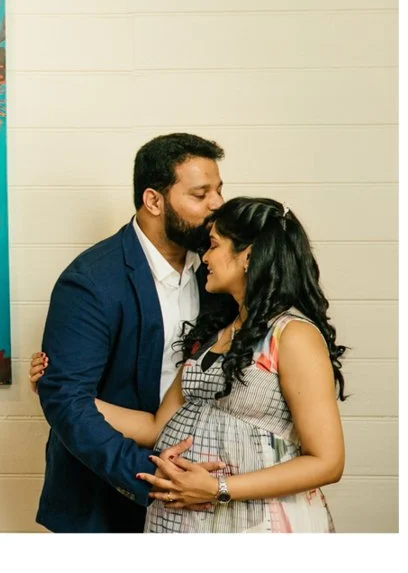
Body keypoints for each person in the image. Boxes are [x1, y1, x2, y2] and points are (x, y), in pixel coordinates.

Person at [35, 198, 346, 533]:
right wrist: (62, 390)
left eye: (213, 246)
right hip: (189, 522)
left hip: (261, 524)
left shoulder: (292, 335)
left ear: (249, 255)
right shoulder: (215, 334)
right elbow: (156, 426)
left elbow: (327, 462)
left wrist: (219, 489)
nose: (205, 258)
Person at [31, 133, 225, 533]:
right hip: (105, 497)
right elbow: (68, 402)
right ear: (153, 200)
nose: (217, 205)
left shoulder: (222, 270)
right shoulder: (89, 280)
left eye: (219, 191)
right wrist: (150, 477)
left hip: (209, 487)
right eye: (200, 194)